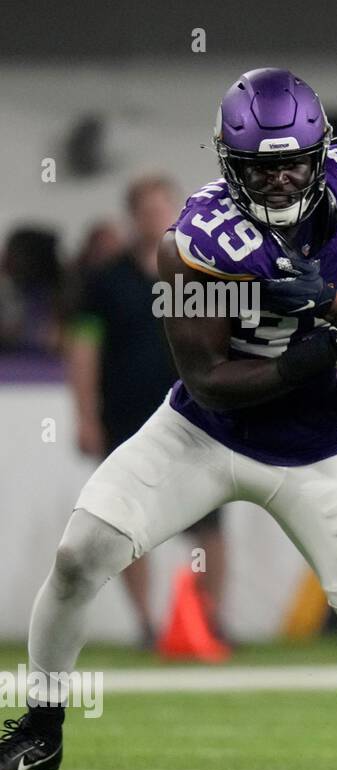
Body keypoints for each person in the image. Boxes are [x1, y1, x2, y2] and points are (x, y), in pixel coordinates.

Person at [0, 69, 337, 770]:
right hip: (204, 431)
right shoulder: (196, 243)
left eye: (295, 161)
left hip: (315, 447)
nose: (283, 177)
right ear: (230, 164)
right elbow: (210, 380)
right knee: (78, 555)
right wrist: (327, 342)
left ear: (323, 154)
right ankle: (44, 717)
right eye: (263, 165)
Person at [65, 176, 227, 647]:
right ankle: (147, 626)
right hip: (127, 416)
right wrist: (84, 416)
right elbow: (84, 349)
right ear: (133, 216)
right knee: (127, 524)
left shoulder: (202, 273)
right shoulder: (104, 281)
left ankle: (208, 621)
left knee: (211, 525)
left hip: (196, 416)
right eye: (146, 210)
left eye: (163, 208)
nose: (156, 217)